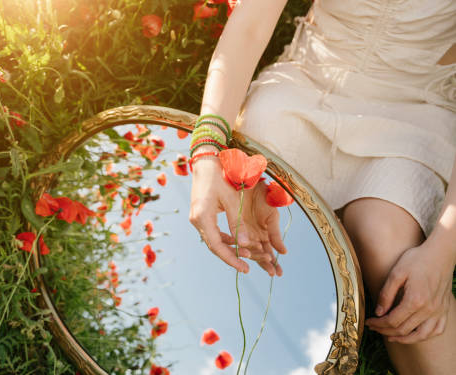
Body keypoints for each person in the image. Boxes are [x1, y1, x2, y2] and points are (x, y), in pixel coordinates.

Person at [188, 0, 456, 374]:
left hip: (416, 110)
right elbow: (249, 25)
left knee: (386, 249)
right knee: (247, 213)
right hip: (305, 85)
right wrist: (207, 150)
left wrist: (443, 251)